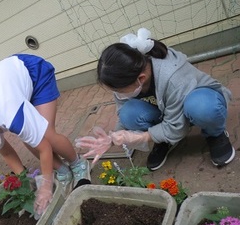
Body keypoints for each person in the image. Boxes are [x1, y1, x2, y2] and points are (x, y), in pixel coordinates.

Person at [0, 54, 91, 215]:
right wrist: (25, 181)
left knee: (47, 136)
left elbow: (45, 148)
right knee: (29, 139)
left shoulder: (11, 115)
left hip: (35, 73)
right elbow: (6, 152)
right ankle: (63, 172)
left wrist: (46, 186)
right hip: (11, 85)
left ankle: (78, 164)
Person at [76, 28, 235, 170]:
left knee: (203, 107)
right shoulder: (126, 78)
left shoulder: (173, 76)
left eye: (119, 90)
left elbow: (176, 127)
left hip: (199, 100)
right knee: (128, 113)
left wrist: (143, 137)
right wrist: (111, 139)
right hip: (169, 112)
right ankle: (164, 140)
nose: (118, 94)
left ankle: (215, 134)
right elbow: (124, 117)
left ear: (141, 78)